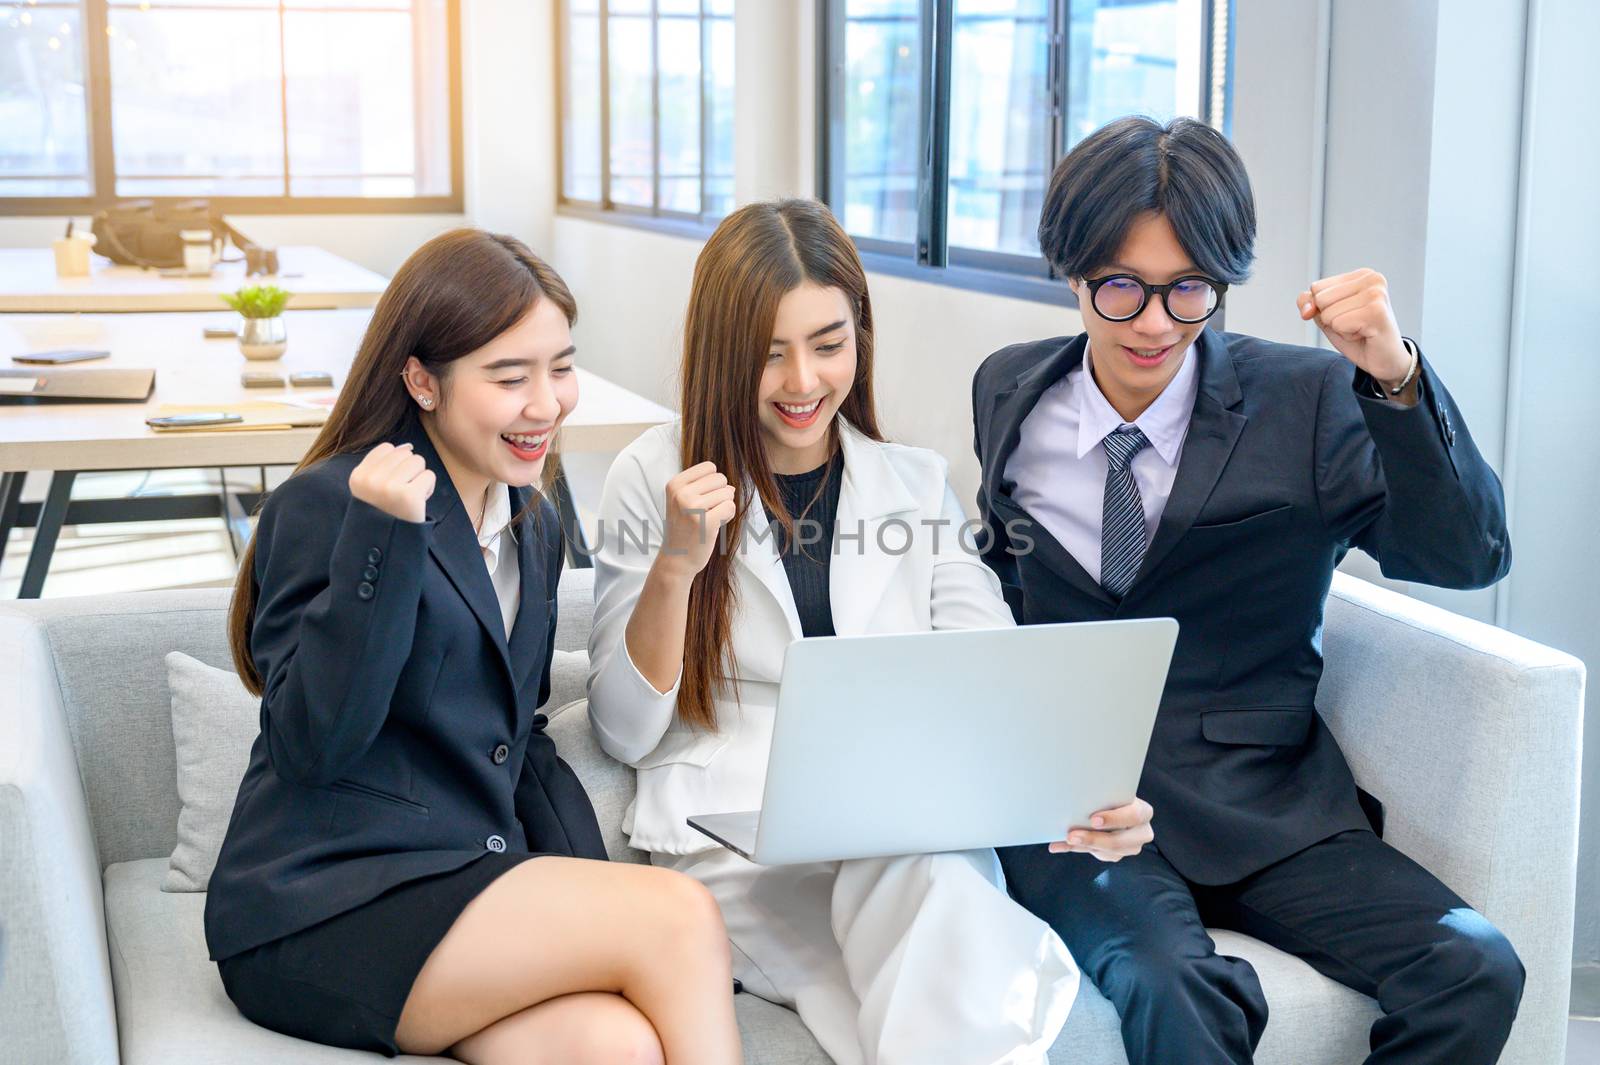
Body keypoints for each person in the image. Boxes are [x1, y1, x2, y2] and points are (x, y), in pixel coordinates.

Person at [971, 115, 1524, 1065]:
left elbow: (1466, 554)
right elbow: (1000, 579)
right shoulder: (1009, 388)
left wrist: (1393, 376)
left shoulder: (1310, 400)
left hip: (1264, 804)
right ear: (1071, 272)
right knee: (1170, 982)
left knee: (1475, 963)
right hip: (1078, 809)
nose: (1155, 322)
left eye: (1189, 290)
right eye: (1122, 288)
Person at [586, 199, 1132, 1065]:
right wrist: (675, 567)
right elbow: (623, 727)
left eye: (828, 344)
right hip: (742, 840)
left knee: (926, 885)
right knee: (952, 971)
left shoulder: (914, 483)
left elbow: (994, 679)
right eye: (768, 354)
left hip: (902, 830)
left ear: (860, 337)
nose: (803, 381)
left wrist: (1078, 792)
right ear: (721, 355)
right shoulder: (651, 474)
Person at [205, 228, 743, 1065]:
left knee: (618, 1043)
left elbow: (515, 739)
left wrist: (584, 889)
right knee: (678, 913)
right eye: (508, 376)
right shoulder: (331, 505)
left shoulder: (534, 521)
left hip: (459, 883)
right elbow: (313, 743)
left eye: (559, 367)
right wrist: (383, 536)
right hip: (320, 901)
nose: (546, 403)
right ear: (421, 379)